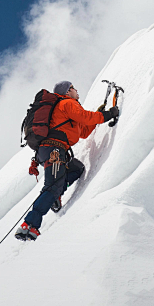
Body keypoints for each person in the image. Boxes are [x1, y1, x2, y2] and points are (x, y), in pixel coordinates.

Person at [15, 81, 119, 241]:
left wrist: (100, 116)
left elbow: (83, 131)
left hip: (49, 152)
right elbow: (86, 117)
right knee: (51, 186)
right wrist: (108, 114)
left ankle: (55, 197)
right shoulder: (67, 103)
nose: (77, 91)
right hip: (54, 151)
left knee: (76, 168)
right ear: (67, 91)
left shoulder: (63, 110)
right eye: (73, 88)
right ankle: (29, 225)